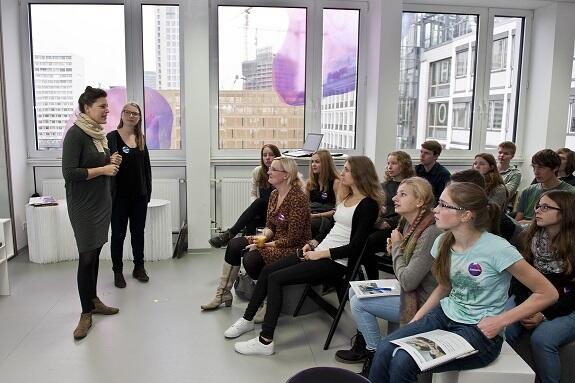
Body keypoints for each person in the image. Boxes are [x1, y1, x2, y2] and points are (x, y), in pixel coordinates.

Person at [368, 182, 558, 383]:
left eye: (443, 205)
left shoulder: (498, 249)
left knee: (402, 360)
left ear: (466, 215)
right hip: (445, 315)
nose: (435, 209)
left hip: (480, 331)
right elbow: (444, 286)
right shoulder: (442, 241)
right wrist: (417, 319)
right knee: (385, 347)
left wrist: (501, 321)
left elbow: (547, 293)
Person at [223, 156, 383, 356]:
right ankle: (247, 320)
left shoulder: (368, 205)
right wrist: (313, 243)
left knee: (276, 278)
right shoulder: (347, 198)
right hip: (320, 251)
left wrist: (321, 254)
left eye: (347, 170)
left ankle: (265, 341)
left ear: (360, 174)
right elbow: (332, 228)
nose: (342, 173)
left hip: (336, 261)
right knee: (268, 271)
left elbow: (356, 247)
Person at [336, 177, 441, 377]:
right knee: (354, 289)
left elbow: (408, 280)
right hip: (411, 288)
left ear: (419, 202)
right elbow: (405, 273)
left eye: (403, 194)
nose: (394, 198)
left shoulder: (430, 232)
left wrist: (396, 250)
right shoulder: (410, 224)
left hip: (424, 301)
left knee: (359, 303)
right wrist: (397, 250)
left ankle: (375, 356)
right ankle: (370, 348)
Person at [201, 156, 310, 310]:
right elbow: (270, 226)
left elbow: (294, 239)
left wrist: (263, 245)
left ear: (286, 175)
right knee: (234, 244)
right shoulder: (274, 195)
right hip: (276, 241)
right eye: (269, 168)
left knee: (251, 258)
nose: (269, 171)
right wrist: (261, 238)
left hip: (293, 247)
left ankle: (266, 300)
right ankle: (223, 294)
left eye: (273, 169)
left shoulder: (298, 198)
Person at [62, 86, 122, 340]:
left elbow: (103, 163)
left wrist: (113, 161)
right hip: (83, 206)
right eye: (102, 106)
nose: (107, 110)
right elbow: (70, 173)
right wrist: (103, 170)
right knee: (86, 257)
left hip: (101, 202)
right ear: (87, 108)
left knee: (96, 253)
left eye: (107, 106)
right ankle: (85, 313)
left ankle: (94, 300)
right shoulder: (76, 134)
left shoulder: (100, 135)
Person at [506, 190, 575, 383]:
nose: (537, 210)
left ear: (565, 213)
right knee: (503, 327)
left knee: (542, 339)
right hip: (531, 296)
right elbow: (518, 278)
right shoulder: (528, 237)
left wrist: (544, 315)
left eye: (546, 207)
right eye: (538, 205)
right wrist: (523, 308)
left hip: (567, 302)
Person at [107, 102, 152, 288]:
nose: (132, 116)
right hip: (119, 197)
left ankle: (138, 267)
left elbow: (146, 168)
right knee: (118, 234)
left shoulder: (140, 138)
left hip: (139, 196)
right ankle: (117, 271)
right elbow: (105, 163)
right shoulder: (112, 137)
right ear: (122, 114)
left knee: (137, 233)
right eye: (128, 112)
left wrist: (147, 192)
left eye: (136, 114)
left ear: (139, 118)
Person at [209, 144, 282, 248]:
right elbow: (253, 194)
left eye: (271, 155)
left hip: (279, 216)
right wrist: (256, 210)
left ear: (277, 157)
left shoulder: (283, 174)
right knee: (252, 221)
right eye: (264, 155)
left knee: (260, 202)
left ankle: (230, 234)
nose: (267, 158)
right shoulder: (258, 172)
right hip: (263, 212)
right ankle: (249, 251)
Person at [516, 149, 575, 223]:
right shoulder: (527, 191)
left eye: (541, 167)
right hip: (525, 231)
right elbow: (518, 220)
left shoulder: (570, 193)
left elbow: (568, 224)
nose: (536, 172)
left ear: (555, 168)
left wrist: (530, 223)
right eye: (534, 167)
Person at [306, 149, 340, 237]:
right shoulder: (310, 183)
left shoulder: (336, 182)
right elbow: (304, 205)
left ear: (326, 164)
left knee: (309, 225)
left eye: (317, 162)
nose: (313, 165)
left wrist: (316, 215)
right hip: (312, 214)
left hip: (326, 217)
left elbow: (339, 211)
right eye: (312, 162)